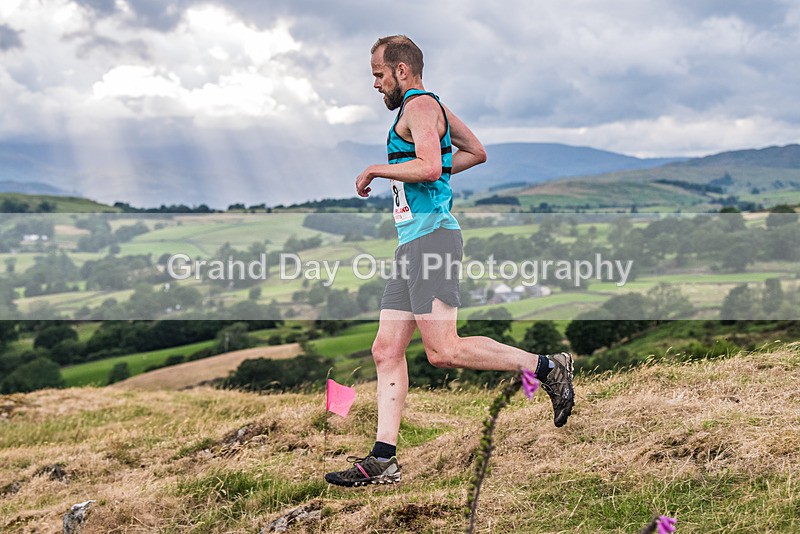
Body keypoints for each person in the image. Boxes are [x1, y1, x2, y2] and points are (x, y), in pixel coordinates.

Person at [324, 35, 574, 488]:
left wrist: (378, 169)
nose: (376, 85)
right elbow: (474, 153)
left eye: (378, 75)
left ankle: (547, 367)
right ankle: (383, 459)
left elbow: (429, 168)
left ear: (402, 70)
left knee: (444, 350)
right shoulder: (430, 107)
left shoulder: (418, 105)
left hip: (432, 242)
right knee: (386, 349)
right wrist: (431, 165)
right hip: (414, 244)